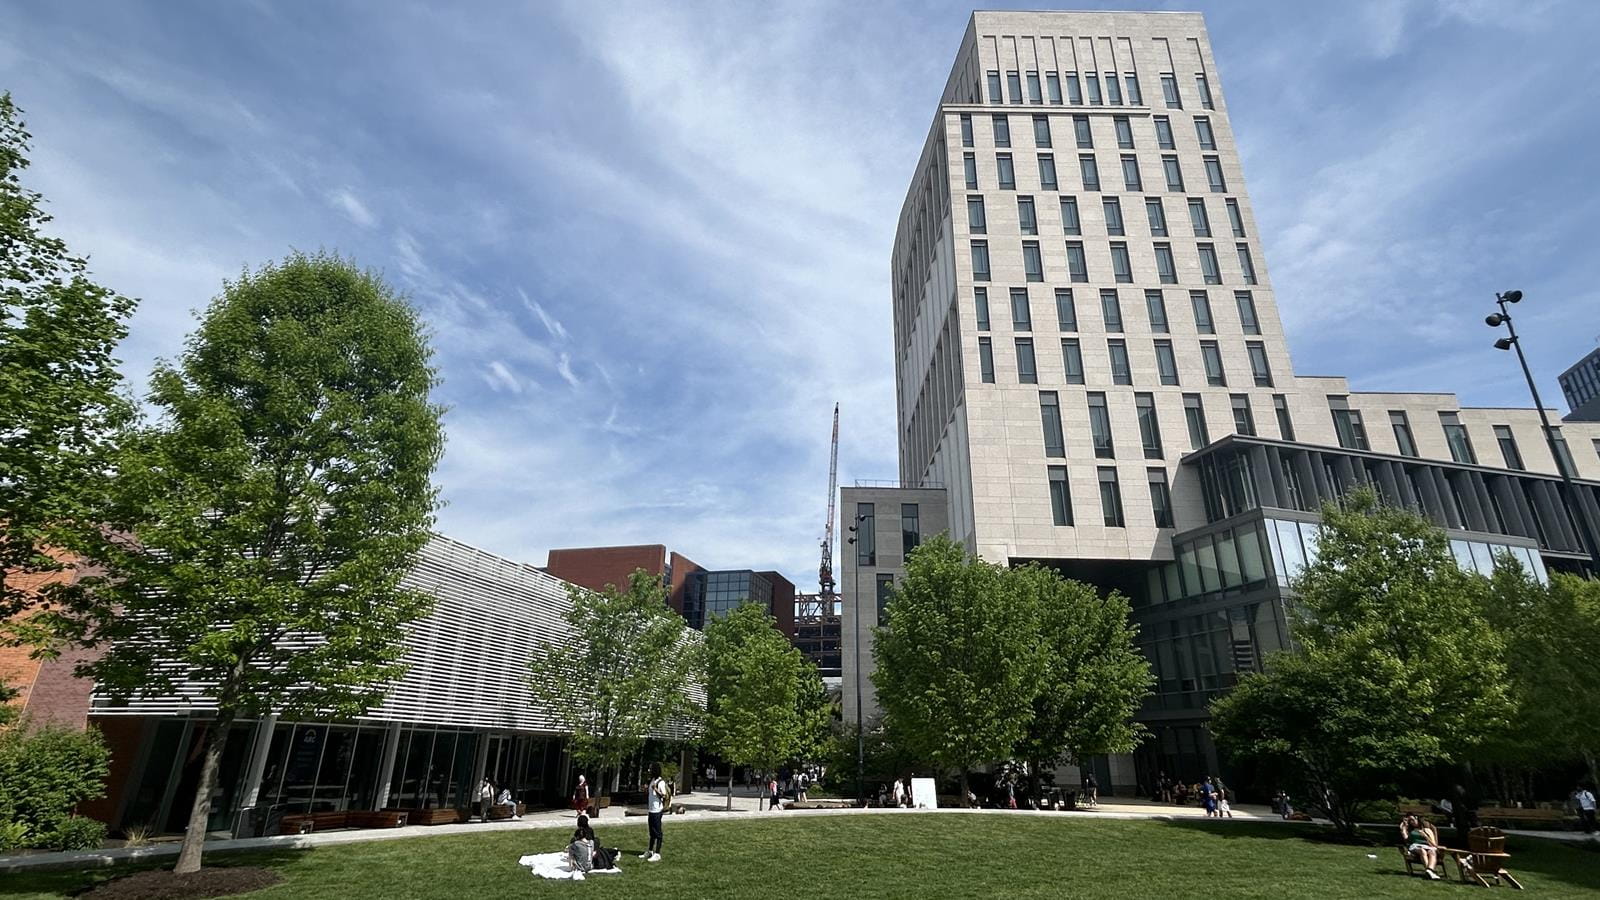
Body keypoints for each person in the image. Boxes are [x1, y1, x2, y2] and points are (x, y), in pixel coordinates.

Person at [634, 762, 666, 862]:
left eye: (651, 769)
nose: (649, 771)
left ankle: (657, 853)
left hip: (657, 810)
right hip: (651, 810)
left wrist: (655, 789)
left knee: (658, 833)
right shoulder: (652, 780)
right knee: (652, 832)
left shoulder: (661, 782)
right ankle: (650, 850)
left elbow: (663, 796)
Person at [1400, 814, 1443, 880]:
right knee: (1422, 850)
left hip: (1427, 846)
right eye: (1409, 821)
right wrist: (1404, 826)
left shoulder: (1427, 830)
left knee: (1432, 852)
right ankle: (1430, 872)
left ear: (1416, 818)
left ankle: (1429, 871)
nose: (1411, 822)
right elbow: (1406, 838)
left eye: (1412, 819)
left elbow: (1433, 844)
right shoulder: (1410, 830)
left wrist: (1425, 836)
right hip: (1415, 846)